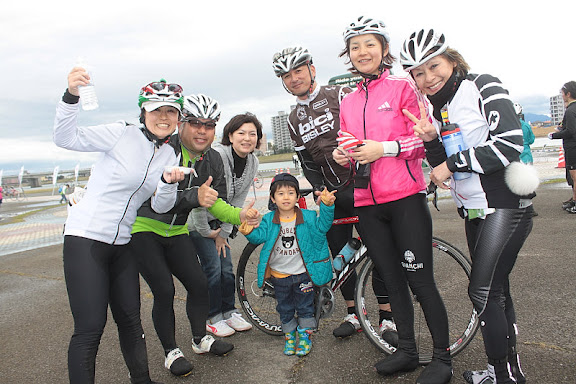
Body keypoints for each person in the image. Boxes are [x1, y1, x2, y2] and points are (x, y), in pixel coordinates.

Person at [400, 28, 536, 384]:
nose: (429, 77)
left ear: (452, 60)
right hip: (475, 211)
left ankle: (500, 376)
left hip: (504, 205)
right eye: (419, 72)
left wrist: (452, 163)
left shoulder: (482, 85)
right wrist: (432, 142)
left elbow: (508, 143)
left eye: (434, 66)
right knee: (497, 291)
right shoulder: (438, 106)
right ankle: (509, 374)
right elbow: (445, 161)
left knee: (483, 291)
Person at [333, 17, 452, 383]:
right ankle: (407, 351)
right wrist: (346, 154)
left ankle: (442, 359)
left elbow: (425, 143)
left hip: (404, 198)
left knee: (420, 281)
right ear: (349, 56)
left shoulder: (403, 87)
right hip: (367, 202)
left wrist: (383, 148)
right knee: (391, 278)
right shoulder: (348, 99)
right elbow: (351, 143)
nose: (362, 52)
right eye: (355, 47)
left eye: (370, 44)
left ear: (384, 49)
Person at [54, 70, 186, 383]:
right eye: (157, 109)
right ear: (144, 112)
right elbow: (65, 138)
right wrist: (71, 95)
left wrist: (167, 182)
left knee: (130, 320)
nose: (164, 117)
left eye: (171, 111)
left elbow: (161, 206)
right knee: (90, 328)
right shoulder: (120, 133)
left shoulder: (169, 152)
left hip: (123, 243)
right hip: (86, 239)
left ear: (179, 117)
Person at [131, 94, 260, 377]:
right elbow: (154, 197)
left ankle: (200, 338)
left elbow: (215, 201)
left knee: (200, 284)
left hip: (177, 230)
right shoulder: (162, 150)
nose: (202, 131)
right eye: (194, 123)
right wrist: (194, 196)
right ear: (180, 124)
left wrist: (240, 216)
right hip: (143, 228)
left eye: (209, 124)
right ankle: (170, 352)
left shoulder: (212, 159)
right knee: (164, 290)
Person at [272, 45, 394, 340]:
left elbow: (364, 131)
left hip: (363, 186)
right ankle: (353, 314)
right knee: (340, 257)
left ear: (312, 69)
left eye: (298, 71)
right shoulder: (292, 119)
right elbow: (307, 161)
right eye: (287, 76)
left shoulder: (338, 95)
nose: (294, 79)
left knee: (378, 251)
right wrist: (318, 189)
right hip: (332, 195)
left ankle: (387, 318)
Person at [239, 173, 336, 356]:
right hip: (279, 275)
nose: (286, 197)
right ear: (272, 198)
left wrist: (327, 206)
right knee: (284, 308)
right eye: (281, 193)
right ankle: (289, 337)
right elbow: (257, 237)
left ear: (298, 196)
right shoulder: (268, 220)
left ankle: (305, 337)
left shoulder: (307, 216)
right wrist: (247, 227)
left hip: (303, 274)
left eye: (291, 193)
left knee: (306, 307)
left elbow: (323, 226)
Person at [189, 112, 262, 337]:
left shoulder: (253, 161)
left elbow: (238, 200)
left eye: (253, 134)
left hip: (222, 223)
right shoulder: (216, 156)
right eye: (241, 133)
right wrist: (205, 231)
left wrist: (224, 233)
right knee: (212, 267)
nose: (247, 138)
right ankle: (213, 316)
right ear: (230, 136)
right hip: (198, 222)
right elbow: (201, 199)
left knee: (226, 269)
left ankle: (228, 311)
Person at [549, 81, 576, 214]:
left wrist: (554, 135)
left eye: (562, 94)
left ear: (568, 94)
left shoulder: (571, 110)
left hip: (572, 147)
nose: (562, 96)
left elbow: (571, 131)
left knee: (574, 176)